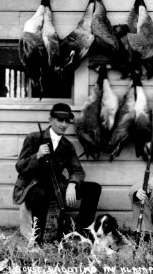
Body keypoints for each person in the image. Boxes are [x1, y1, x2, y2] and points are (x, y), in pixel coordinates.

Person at [13, 103, 102, 245]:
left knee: (93, 188)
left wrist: (73, 184)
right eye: (60, 120)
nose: (64, 124)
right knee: (41, 193)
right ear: (50, 120)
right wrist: (37, 156)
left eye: (67, 121)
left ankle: (81, 234)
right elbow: (20, 167)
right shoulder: (34, 138)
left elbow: (77, 171)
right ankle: (37, 239)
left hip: (56, 184)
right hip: (33, 185)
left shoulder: (67, 145)